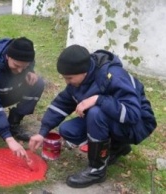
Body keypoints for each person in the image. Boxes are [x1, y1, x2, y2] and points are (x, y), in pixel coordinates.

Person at [29, 44, 157, 188]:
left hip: (138, 124)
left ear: (84, 71)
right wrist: (42, 132)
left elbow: (133, 114)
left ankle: (97, 170)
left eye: (69, 78)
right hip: (114, 119)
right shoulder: (79, 81)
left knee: (96, 112)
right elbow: (61, 104)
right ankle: (117, 147)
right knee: (68, 130)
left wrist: (98, 99)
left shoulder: (114, 76)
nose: (67, 82)